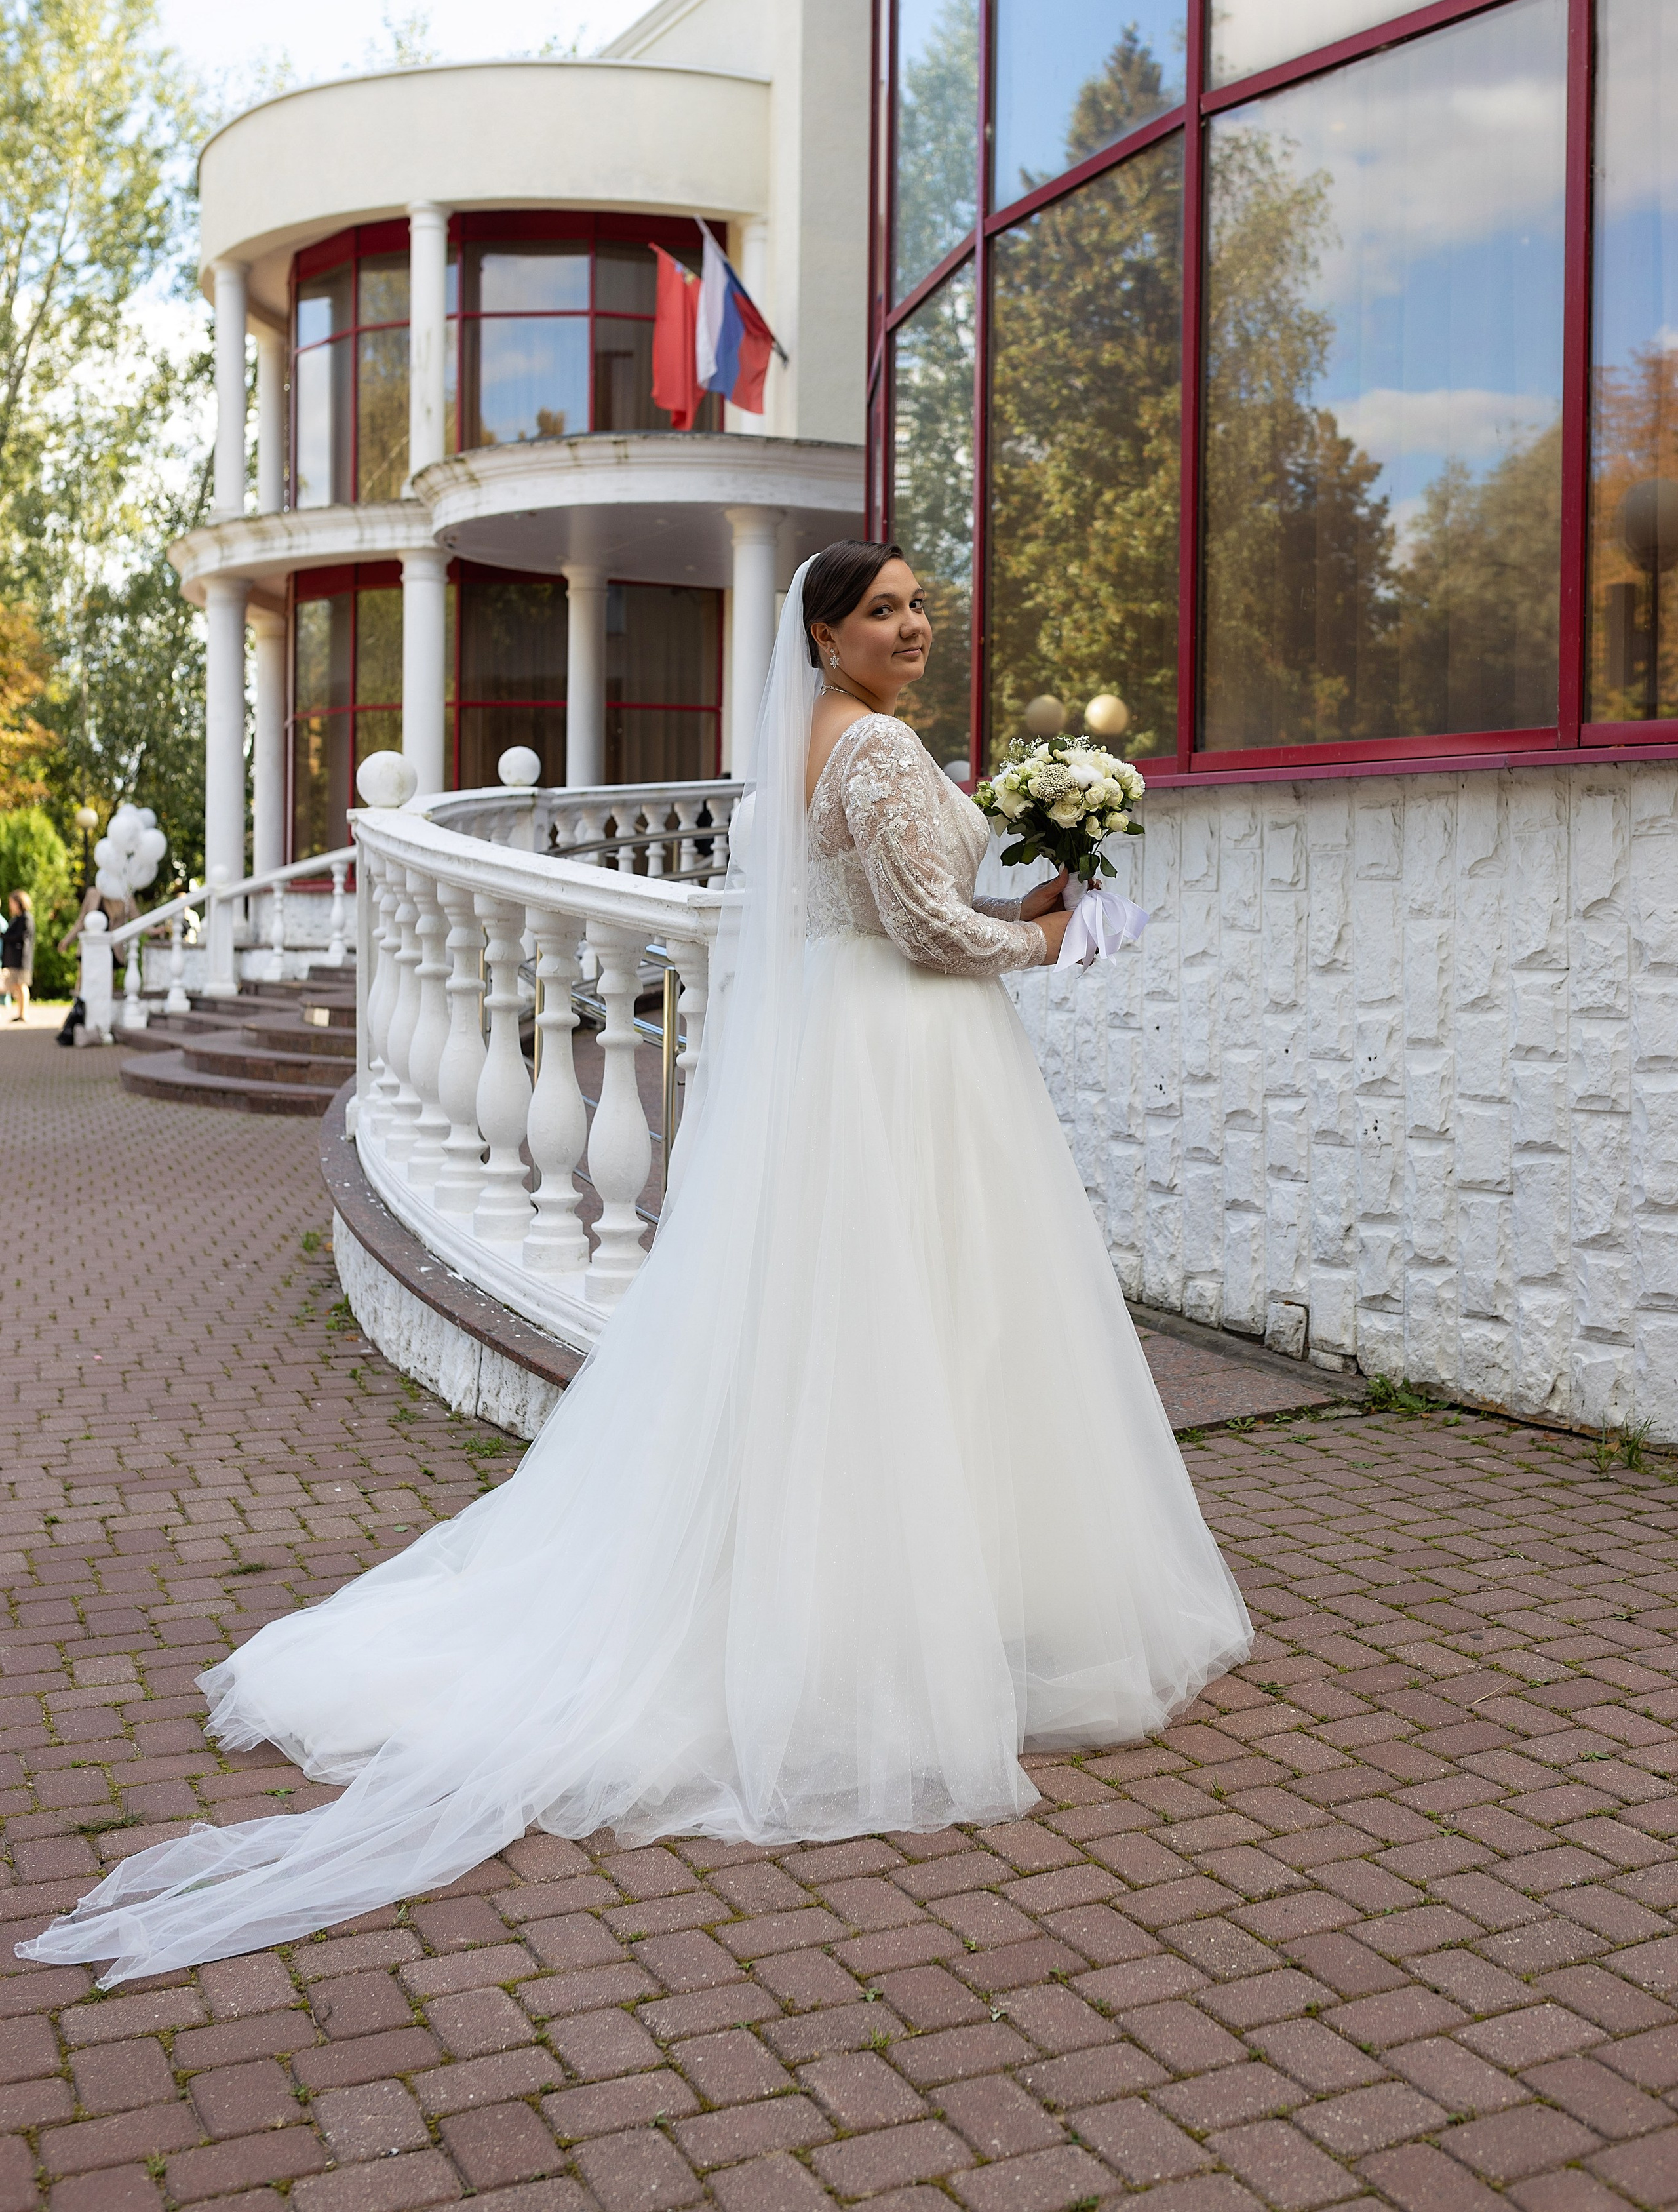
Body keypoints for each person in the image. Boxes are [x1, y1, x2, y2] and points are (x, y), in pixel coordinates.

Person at [20, 543, 1251, 1987]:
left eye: (919, 605)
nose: (912, 626)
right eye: (882, 611)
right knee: (930, 1315)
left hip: (856, 1050)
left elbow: (900, 886)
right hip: (903, 1050)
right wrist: (1053, 936)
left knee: (877, 1326)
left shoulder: (821, 740)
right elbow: (925, 928)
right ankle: (896, 1621)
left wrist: (1033, 854)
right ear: (822, 631)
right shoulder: (870, 749)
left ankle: (909, 1589)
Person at [1, 891, 33, 1023]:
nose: (10, 906)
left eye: (12, 903)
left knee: (21, 986)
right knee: (16, 985)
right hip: (14, 959)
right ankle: (20, 1013)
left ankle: (24, 1014)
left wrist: (4, 936)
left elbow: (20, 937)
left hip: (21, 959)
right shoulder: (17, 918)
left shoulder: (26, 918)